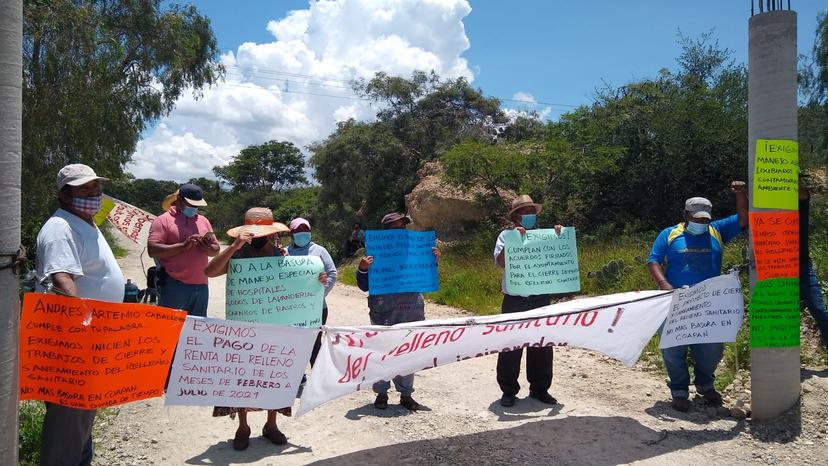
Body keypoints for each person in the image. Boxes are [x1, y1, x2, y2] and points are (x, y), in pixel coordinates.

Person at [204, 207, 328, 450]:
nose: (259, 238)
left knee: (275, 376)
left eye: (263, 233)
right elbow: (209, 271)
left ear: (271, 233)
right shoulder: (237, 256)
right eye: (254, 233)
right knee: (244, 378)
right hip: (244, 328)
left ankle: (271, 424)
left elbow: (297, 286)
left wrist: (318, 279)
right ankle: (243, 425)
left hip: (276, 328)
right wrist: (233, 247)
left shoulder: (282, 256)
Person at [35, 164, 125, 466]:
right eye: (84, 189)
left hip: (90, 343)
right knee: (68, 424)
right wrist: (83, 334)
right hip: (74, 347)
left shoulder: (84, 223)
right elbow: (62, 281)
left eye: (95, 187)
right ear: (64, 195)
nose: (94, 193)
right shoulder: (60, 229)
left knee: (82, 420)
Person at [647, 181, 748, 412]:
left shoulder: (717, 230)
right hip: (676, 302)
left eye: (705, 219)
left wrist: (741, 194)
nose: (702, 223)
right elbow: (653, 260)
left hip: (710, 304)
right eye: (697, 219)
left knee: (711, 349)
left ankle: (705, 384)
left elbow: (744, 216)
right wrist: (663, 283)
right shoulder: (669, 234)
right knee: (673, 349)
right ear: (685, 215)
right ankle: (679, 390)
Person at [356, 212, 440, 411]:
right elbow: (363, 285)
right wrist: (363, 269)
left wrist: (433, 260)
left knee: (408, 352)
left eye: (403, 227)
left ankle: (406, 394)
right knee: (382, 352)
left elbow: (426, 276)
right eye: (396, 228)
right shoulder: (374, 254)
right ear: (385, 232)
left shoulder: (416, 250)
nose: (400, 231)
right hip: (383, 310)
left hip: (411, 309)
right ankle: (382, 393)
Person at [493, 195, 562, 408]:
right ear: (515, 216)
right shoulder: (506, 235)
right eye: (525, 211)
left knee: (541, 344)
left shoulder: (545, 236)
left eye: (531, 211)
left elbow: (559, 256)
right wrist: (513, 241)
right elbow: (500, 262)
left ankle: (540, 389)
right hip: (514, 299)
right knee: (510, 346)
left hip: (540, 298)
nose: (529, 215)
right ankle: (508, 390)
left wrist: (560, 236)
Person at [147, 183, 219, 316]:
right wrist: (182, 246)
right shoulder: (163, 220)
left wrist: (207, 248)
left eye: (196, 205)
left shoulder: (204, 221)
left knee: (195, 333)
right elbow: (152, 250)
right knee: (170, 330)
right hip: (173, 286)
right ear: (179, 199)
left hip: (202, 287)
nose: (194, 208)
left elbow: (216, 250)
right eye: (190, 204)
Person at [287, 217, 337, 367]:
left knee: (314, 343)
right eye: (298, 230)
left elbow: (332, 273)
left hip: (317, 308)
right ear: (292, 233)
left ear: (310, 232)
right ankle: (298, 378)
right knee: (293, 344)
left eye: (305, 230)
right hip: (291, 309)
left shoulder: (319, 250)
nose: (302, 233)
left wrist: (319, 294)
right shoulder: (284, 252)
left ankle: (317, 378)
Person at [799, 177, 828, 347]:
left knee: (819, 309)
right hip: (776, 268)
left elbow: (803, 194)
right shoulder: (767, 210)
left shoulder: (799, 203)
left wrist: (790, 177)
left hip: (802, 266)